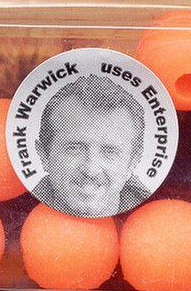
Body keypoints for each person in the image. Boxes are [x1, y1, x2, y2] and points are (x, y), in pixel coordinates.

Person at [34, 74, 150, 217]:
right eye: (74, 148)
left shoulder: (156, 217)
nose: (91, 170)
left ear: (133, 162)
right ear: (44, 156)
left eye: (110, 151)